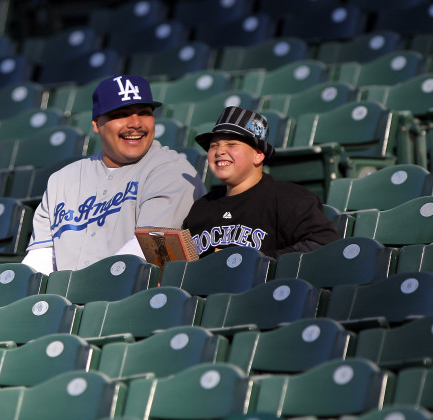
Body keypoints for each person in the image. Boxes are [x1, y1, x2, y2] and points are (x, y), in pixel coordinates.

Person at [22, 74, 206, 274]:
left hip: (135, 297)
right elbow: (42, 257)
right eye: (121, 114)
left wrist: (79, 290)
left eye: (144, 113)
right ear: (96, 123)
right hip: (67, 299)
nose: (135, 123)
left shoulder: (173, 171)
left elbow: (147, 253)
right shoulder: (62, 180)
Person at [182, 106, 340, 258]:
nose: (219, 151)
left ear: (258, 155)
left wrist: (255, 262)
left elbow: (324, 246)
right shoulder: (200, 208)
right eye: (214, 145)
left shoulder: (291, 199)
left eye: (232, 144)